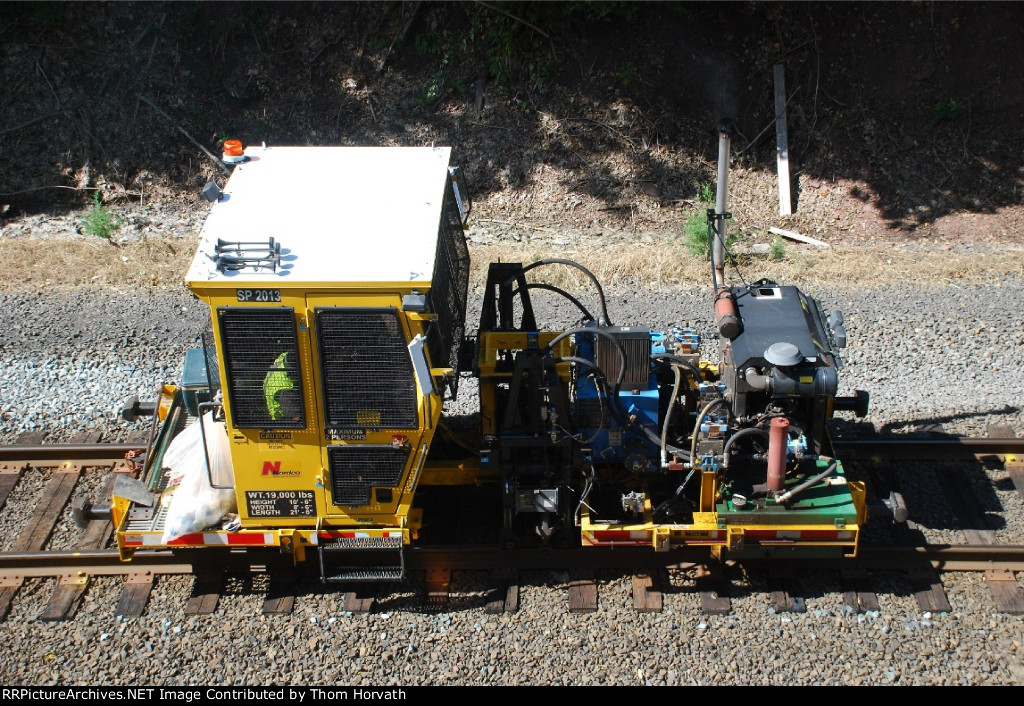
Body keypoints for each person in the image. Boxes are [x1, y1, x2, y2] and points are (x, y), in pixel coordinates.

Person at [263, 351, 299, 422]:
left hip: (274, 398)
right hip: (282, 414)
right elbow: (297, 417)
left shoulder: (283, 360)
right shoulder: (285, 387)